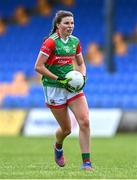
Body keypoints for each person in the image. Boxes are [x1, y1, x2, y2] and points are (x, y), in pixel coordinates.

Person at [34, 10, 92, 170]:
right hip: (54, 88)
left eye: (72, 23)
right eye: (66, 23)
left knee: (85, 122)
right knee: (66, 129)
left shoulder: (75, 41)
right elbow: (38, 67)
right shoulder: (50, 42)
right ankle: (58, 145)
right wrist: (59, 79)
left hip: (72, 86)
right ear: (58, 25)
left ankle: (86, 163)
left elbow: (81, 64)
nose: (70, 26)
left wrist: (82, 77)